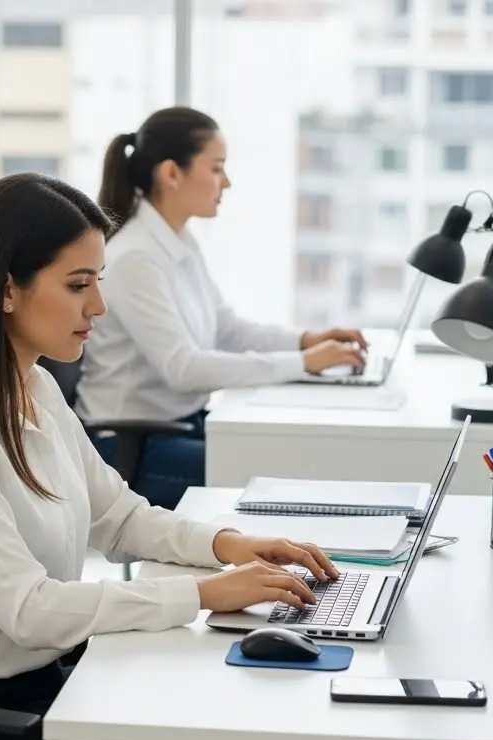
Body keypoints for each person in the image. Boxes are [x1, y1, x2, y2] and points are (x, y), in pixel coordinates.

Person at [0, 172, 340, 740]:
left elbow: (117, 517)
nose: (98, 306)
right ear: (5, 290)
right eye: (77, 285)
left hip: (38, 682)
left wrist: (231, 545)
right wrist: (201, 593)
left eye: (98, 281)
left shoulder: (33, 384)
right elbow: (30, 611)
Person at [76, 107, 368, 510]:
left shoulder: (177, 241)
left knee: (284, 451)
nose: (226, 182)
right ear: (172, 173)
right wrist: (302, 362)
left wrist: (305, 340)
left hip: (178, 429)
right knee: (277, 471)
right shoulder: (134, 258)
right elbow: (184, 369)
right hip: (131, 449)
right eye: (216, 168)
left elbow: (226, 329)